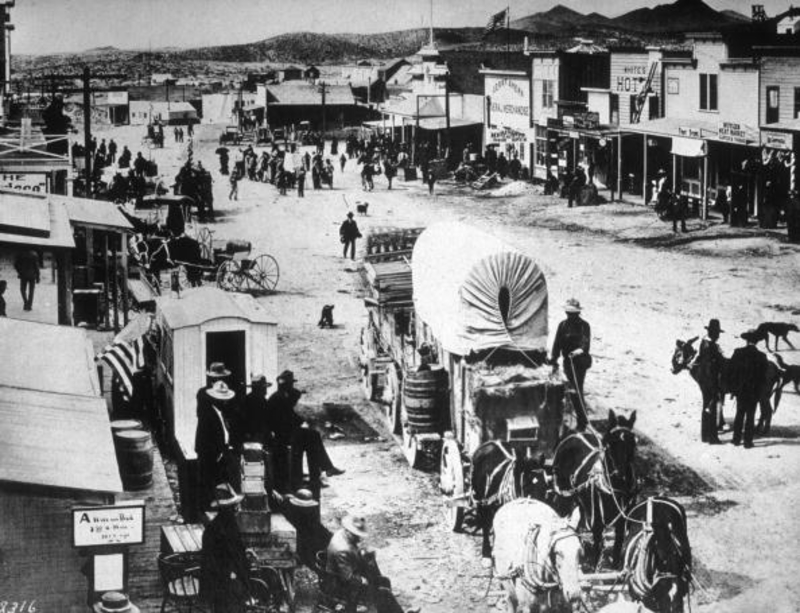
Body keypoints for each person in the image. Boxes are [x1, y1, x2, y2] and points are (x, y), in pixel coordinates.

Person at [264, 370, 344, 491]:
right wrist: (301, 422)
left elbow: (291, 411)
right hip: (282, 436)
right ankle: (322, 472)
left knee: (313, 437)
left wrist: (301, 422)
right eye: (289, 383)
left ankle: (320, 473)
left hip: (285, 433)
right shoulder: (279, 398)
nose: (291, 386)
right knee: (313, 437)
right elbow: (289, 416)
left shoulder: (281, 396)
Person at [326, 515, 404, 613]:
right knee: (383, 593)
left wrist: (365, 555)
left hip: (348, 567)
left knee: (382, 579)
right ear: (348, 531)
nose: (358, 538)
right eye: (355, 535)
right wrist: (364, 581)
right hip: (342, 583)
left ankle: (383, 601)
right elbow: (348, 577)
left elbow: (353, 553)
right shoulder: (342, 549)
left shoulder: (342, 534)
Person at [200, 483, 253, 613]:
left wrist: (246, 551)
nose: (237, 509)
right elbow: (214, 562)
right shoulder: (217, 529)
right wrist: (232, 574)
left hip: (229, 576)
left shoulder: (228, 523)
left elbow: (235, 549)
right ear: (226, 508)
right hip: (222, 582)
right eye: (233, 506)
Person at [195, 380, 239, 509]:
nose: (225, 401)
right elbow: (206, 439)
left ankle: (217, 504)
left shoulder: (220, 412)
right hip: (209, 453)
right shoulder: (208, 414)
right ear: (214, 399)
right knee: (207, 480)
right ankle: (207, 508)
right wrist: (217, 453)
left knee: (217, 481)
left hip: (219, 452)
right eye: (222, 399)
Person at [551, 298, 592, 430]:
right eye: (568, 313)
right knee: (570, 389)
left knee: (577, 389)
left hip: (580, 362)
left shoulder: (584, 325)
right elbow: (557, 343)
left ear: (578, 313)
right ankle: (575, 416)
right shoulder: (562, 325)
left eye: (573, 313)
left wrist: (577, 351)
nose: (570, 315)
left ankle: (582, 421)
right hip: (567, 362)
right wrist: (554, 358)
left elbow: (585, 344)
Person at [728, 329, 769, 449]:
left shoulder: (738, 352)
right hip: (754, 391)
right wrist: (759, 390)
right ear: (757, 342)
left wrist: (733, 388)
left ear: (746, 340)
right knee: (751, 416)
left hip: (740, 390)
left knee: (739, 414)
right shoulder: (762, 356)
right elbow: (763, 376)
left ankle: (736, 440)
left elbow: (731, 372)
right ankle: (747, 442)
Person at [694, 319, 725, 444]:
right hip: (711, 381)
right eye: (717, 333)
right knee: (711, 408)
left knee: (706, 407)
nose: (718, 336)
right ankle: (713, 437)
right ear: (713, 333)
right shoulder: (711, 346)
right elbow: (715, 365)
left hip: (703, 380)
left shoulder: (703, 343)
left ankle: (705, 435)